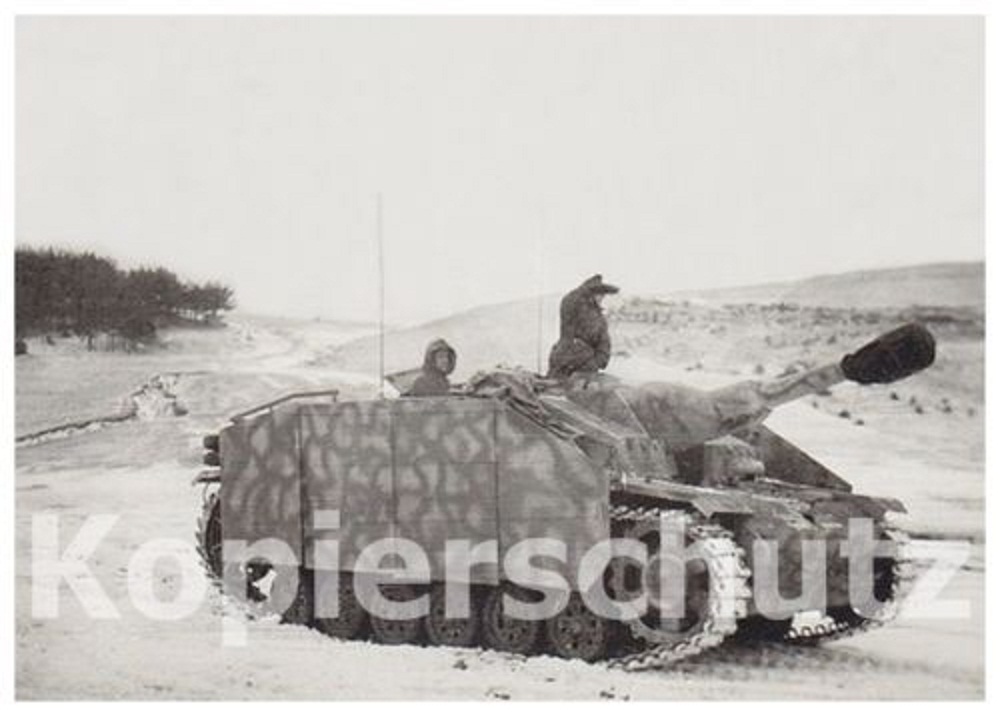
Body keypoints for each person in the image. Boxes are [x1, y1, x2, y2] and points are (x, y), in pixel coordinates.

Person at [547, 274, 619, 379]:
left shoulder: (600, 320)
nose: (602, 297)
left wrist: (597, 363)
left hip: (586, 367)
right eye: (599, 293)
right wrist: (586, 288)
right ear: (591, 294)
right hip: (563, 362)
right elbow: (569, 300)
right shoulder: (574, 305)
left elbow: (604, 344)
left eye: (603, 294)